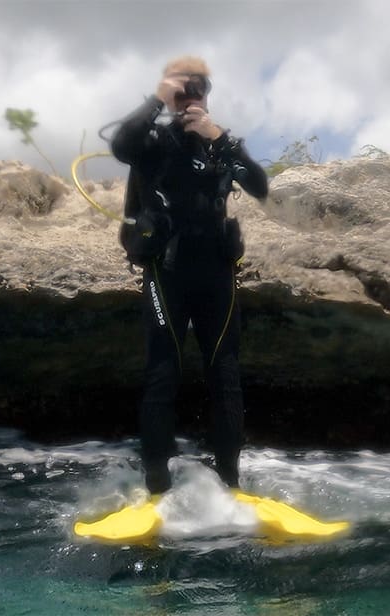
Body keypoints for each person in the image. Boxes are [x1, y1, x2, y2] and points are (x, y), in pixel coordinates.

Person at [111, 56, 268, 495]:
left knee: (226, 374)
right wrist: (157, 97)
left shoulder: (219, 146)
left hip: (216, 273)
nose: (187, 98)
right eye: (180, 91)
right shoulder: (151, 142)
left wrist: (219, 137)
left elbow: (258, 185)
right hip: (167, 272)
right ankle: (157, 485)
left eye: (196, 90)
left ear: (207, 96)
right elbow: (122, 144)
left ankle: (230, 484)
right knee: (162, 373)